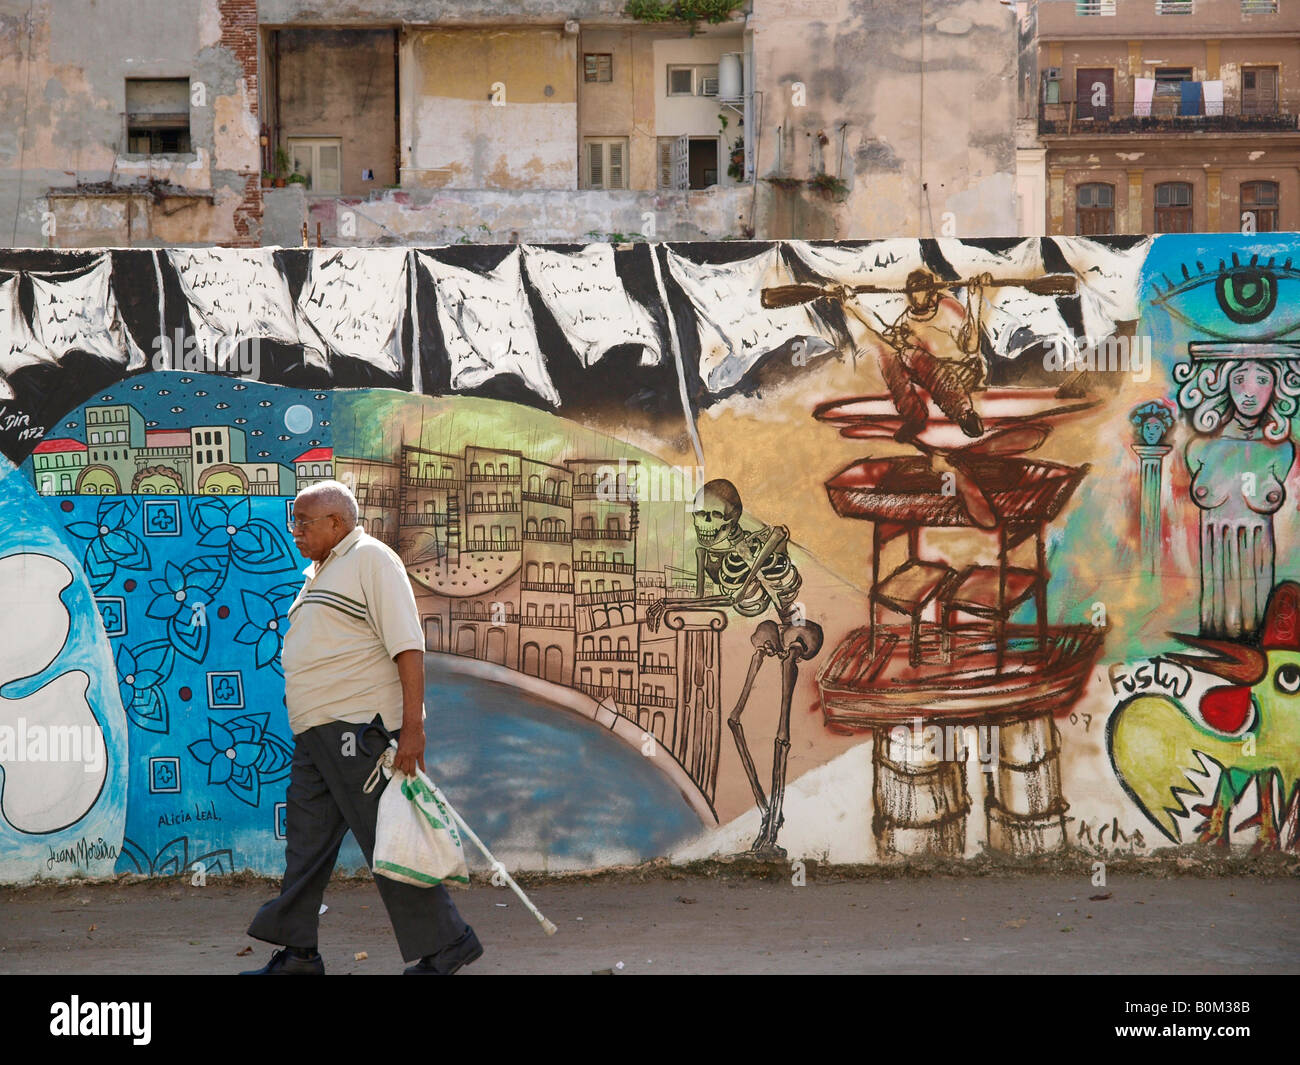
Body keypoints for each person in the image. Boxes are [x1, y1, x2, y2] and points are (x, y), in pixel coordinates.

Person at [241, 480, 481, 975]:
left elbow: (407, 645)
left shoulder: (372, 559)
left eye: (305, 521)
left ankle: (448, 943)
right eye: (295, 520)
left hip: (359, 730)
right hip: (316, 733)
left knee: (386, 839)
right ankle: (298, 955)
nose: (295, 530)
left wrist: (412, 729)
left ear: (338, 522)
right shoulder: (321, 573)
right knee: (306, 843)